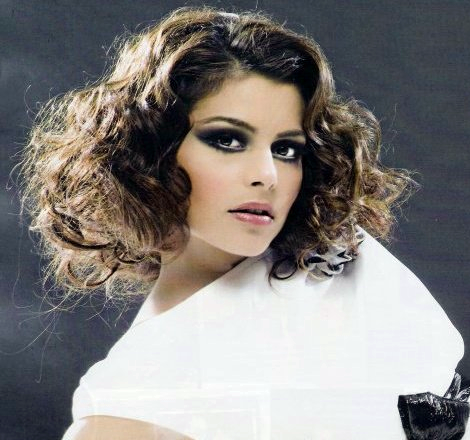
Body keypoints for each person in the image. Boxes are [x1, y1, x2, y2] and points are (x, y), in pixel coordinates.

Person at [19, 6, 469, 440]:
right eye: (228, 140)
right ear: (148, 153)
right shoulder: (130, 402)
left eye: (286, 149)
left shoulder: (351, 277)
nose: (267, 175)